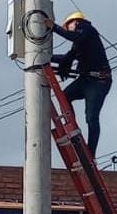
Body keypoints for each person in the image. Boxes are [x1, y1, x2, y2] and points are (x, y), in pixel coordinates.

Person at [48, 11, 112, 156]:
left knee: (91, 117)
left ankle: (91, 152)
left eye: (68, 26)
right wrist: (45, 57)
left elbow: (76, 36)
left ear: (75, 22)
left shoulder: (87, 29)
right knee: (65, 97)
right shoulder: (78, 44)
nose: (68, 29)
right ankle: (73, 127)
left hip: (99, 81)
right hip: (86, 80)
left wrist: (54, 27)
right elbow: (67, 58)